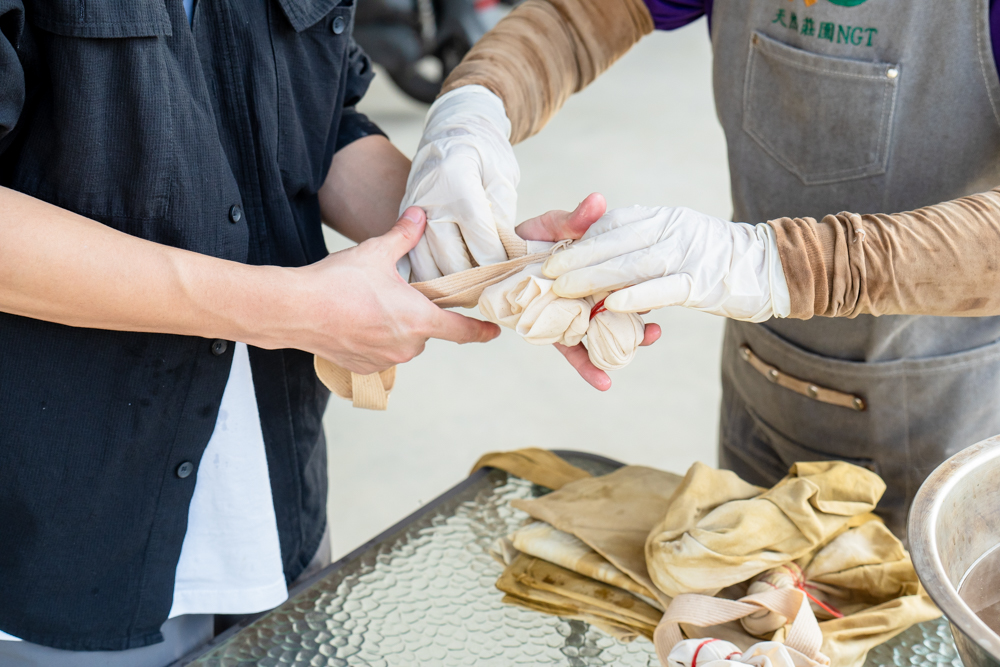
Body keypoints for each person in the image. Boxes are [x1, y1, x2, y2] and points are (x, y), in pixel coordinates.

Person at [0, 0, 597, 662]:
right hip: (62, 527)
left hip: (270, 502)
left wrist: (505, 264)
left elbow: (317, 122)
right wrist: (290, 308)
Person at [400, 0, 1000, 537]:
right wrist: (477, 104)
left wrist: (774, 265)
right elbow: (575, 16)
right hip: (762, 379)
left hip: (942, 430)